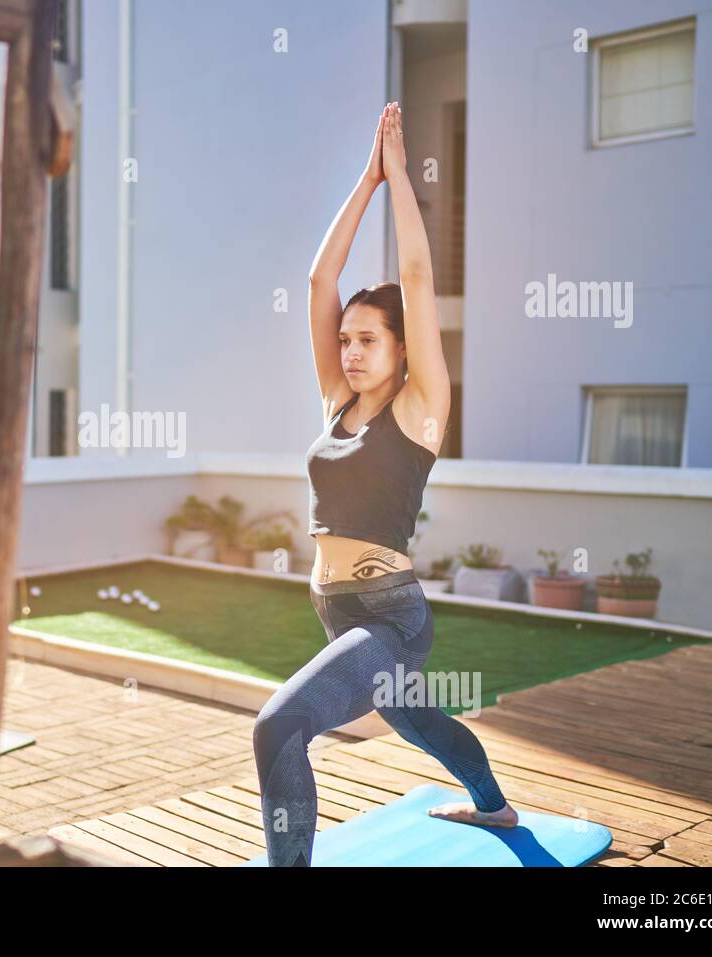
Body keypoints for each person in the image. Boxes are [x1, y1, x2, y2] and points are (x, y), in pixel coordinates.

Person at [251, 103, 517, 865]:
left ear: (404, 350)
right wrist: (363, 180)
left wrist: (399, 177)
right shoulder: (339, 403)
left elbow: (418, 276)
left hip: (391, 617)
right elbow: (319, 278)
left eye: (369, 339)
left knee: (277, 726)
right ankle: (494, 807)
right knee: (419, 722)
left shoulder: (421, 410)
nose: (352, 349)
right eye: (346, 339)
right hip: (335, 611)